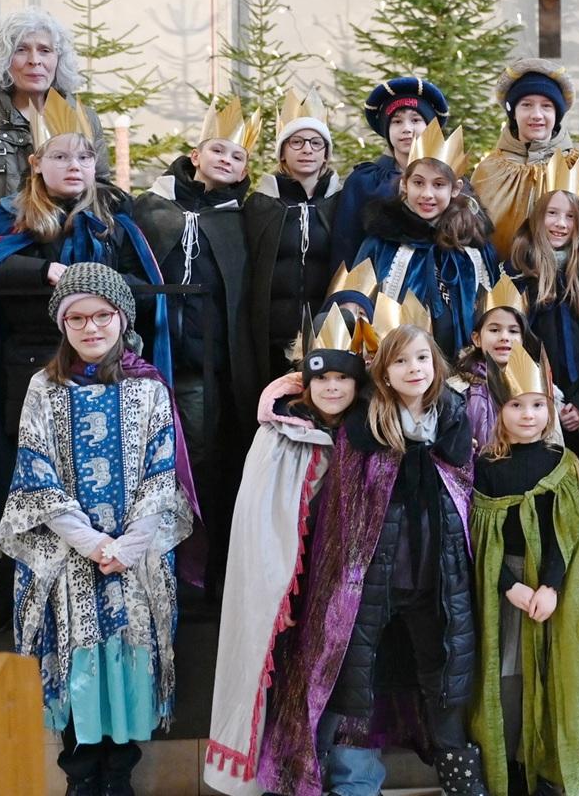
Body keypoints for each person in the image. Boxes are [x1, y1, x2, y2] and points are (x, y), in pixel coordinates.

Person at [0, 94, 170, 635]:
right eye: (61, 157)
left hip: (108, 371)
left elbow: (148, 290)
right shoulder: (8, 215)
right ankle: (10, 584)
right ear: (36, 162)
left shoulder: (114, 217)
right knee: (30, 479)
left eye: (83, 157)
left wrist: (94, 289)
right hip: (31, 366)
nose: (74, 167)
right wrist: (46, 273)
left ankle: (103, 580)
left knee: (103, 480)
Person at [0, 264, 192, 796]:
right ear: (62, 326)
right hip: (70, 557)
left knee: (128, 657)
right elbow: (34, 470)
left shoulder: (148, 387)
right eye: (77, 318)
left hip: (134, 555)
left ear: (121, 318)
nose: (90, 328)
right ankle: (81, 777)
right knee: (77, 659)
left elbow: (162, 474)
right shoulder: (44, 387)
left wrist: (128, 546)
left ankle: (120, 774)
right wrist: (91, 542)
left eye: (102, 315)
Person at [313, 322, 486, 796]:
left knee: (445, 675)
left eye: (422, 359)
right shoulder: (364, 424)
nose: (414, 369)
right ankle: (353, 783)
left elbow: (465, 495)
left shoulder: (453, 419)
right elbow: (345, 509)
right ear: (384, 373)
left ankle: (461, 782)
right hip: (369, 579)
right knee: (354, 679)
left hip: (435, 578)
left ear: (437, 366)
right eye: (401, 361)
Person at [203, 310, 372, 795]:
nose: (334, 388)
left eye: (344, 378)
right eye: (324, 378)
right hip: (287, 591)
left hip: (343, 590)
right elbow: (256, 519)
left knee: (339, 693)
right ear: (306, 380)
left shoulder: (367, 438)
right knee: (278, 678)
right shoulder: (278, 434)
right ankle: (277, 778)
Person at [133, 97, 258, 587]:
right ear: (195, 153)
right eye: (218, 150)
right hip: (155, 360)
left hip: (208, 369)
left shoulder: (243, 217)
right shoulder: (151, 206)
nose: (226, 160)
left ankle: (196, 571)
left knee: (202, 463)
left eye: (237, 156)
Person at [470, 342, 579, 796]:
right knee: (508, 680)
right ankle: (510, 771)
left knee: (550, 672)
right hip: (508, 586)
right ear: (500, 410)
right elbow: (481, 541)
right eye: (517, 405)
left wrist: (553, 587)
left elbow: (568, 532)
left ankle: (543, 769)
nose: (528, 415)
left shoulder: (562, 464)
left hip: (549, 586)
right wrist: (510, 587)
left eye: (537, 405)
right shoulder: (487, 468)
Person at [0, 7, 112, 273]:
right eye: (21, 50)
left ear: (58, 59)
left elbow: (102, 194)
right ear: (3, 59)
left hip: (71, 269)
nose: (34, 60)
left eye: (45, 50)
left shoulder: (83, 118)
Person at [351, 120, 497, 358]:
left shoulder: (474, 247)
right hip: (400, 370)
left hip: (465, 373)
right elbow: (355, 306)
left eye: (438, 184)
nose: (427, 194)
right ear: (405, 184)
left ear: (455, 188)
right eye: (418, 183)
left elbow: (494, 311)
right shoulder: (382, 243)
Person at [503, 159, 579, 463]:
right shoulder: (518, 272)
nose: (560, 224)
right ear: (538, 216)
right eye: (552, 213)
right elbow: (513, 343)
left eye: (570, 217)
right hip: (532, 400)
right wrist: (543, 396)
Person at [243, 89, 342, 400]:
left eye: (316, 143)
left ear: (326, 153)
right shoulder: (260, 205)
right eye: (296, 142)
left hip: (329, 332)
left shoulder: (341, 203)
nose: (307, 150)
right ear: (282, 152)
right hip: (272, 334)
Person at [471, 58, 579, 258]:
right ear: (514, 113)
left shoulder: (578, 168)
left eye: (546, 106)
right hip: (499, 282)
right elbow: (474, 235)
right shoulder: (489, 169)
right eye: (526, 105)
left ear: (556, 114)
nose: (536, 115)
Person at [330, 76, 448, 272]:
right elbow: (345, 248)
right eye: (397, 121)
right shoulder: (365, 182)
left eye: (416, 120)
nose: (407, 129)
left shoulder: (449, 182)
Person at [451, 276, 565, 453]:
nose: (504, 337)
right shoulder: (457, 391)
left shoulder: (539, 387)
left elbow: (554, 443)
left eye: (513, 331)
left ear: (523, 339)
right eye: (494, 330)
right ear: (477, 338)